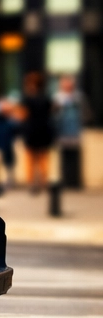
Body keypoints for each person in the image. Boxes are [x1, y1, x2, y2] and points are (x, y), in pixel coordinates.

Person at [54, 74, 91, 215]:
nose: (68, 86)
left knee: (75, 158)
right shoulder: (58, 98)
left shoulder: (78, 97)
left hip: (75, 131)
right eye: (65, 84)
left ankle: (75, 182)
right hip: (62, 131)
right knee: (64, 159)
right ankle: (66, 182)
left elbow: (85, 113)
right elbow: (54, 114)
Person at [20, 71, 55, 197]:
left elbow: (23, 115)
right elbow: (52, 112)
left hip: (31, 131)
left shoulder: (27, 99)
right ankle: (43, 183)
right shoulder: (46, 98)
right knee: (43, 159)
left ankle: (32, 183)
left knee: (31, 159)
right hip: (44, 131)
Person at [0, 91, 19, 196]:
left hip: (6, 144)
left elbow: (16, 126)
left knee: (8, 163)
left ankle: (6, 183)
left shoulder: (9, 119)